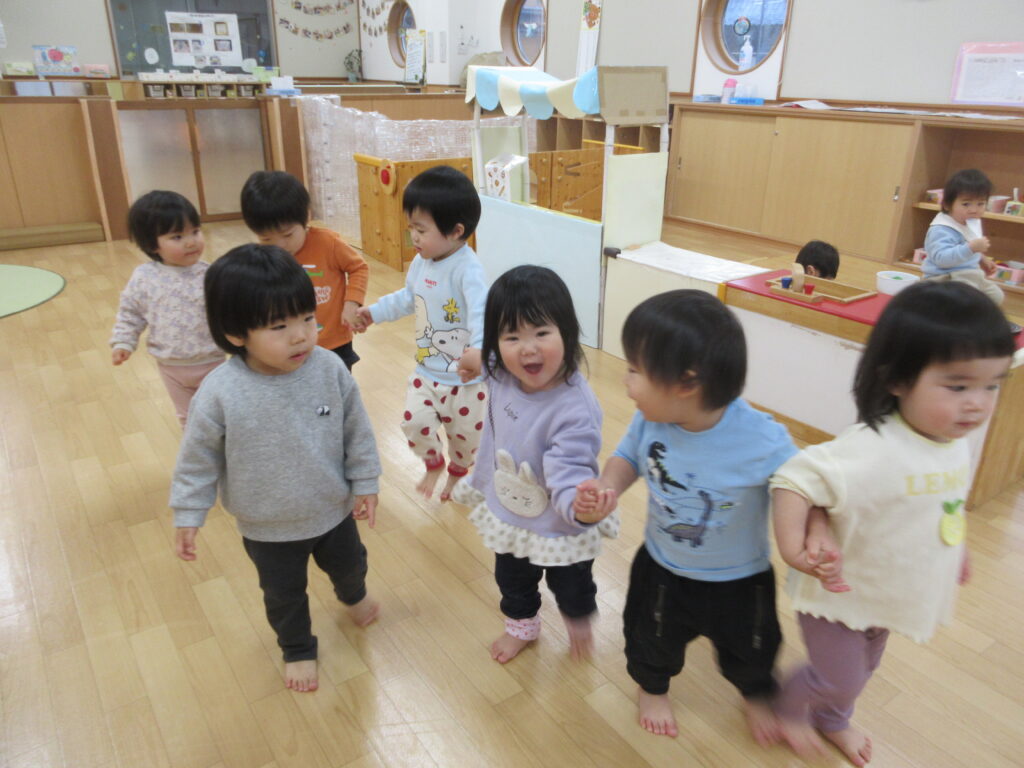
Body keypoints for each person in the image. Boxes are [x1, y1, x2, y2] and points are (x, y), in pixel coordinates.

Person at [770, 280, 1015, 766]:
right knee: (838, 677)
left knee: (866, 668)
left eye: (992, 385)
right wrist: (795, 548)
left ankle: (833, 719)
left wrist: (957, 547)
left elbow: (943, 502)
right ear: (898, 379)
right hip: (838, 598)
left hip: (884, 593)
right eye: (958, 386)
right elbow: (793, 478)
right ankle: (789, 708)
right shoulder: (873, 448)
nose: (978, 403)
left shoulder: (951, 440)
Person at [574, 290, 796, 742]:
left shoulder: (763, 439)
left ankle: (755, 691)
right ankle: (652, 687)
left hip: (741, 580)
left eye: (635, 370)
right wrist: (607, 487)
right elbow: (628, 457)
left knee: (754, 646)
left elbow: (801, 485)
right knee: (649, 638)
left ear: (686, 383)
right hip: (663, 568)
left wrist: (809, 534)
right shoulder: (650, 420)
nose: (626, 382)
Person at [170, 244, 382, 693]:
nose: (301, 336)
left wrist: (366, 481)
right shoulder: (220, 392)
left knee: (351, 566)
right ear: (236, 333)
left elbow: (356, 431)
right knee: (284, 596)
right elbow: (197, 459)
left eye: (306, 317)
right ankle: (298, 648)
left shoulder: (329, 368)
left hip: (333, 510)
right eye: (279, 326)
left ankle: (353, 596)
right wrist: (189, 511)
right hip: (267, 528)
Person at [454, 265, 619, 664]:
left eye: (541, 333)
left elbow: (569, 470)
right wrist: (473, 360)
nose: (527, 349)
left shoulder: (574, 410)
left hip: (561, 523)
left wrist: (578, 507)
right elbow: (488, 361)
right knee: (512, 581)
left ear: (568, 333)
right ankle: (522, 627)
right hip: (512, 513)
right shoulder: (502, 370)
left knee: (572, 586)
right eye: (512, 337)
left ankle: (578, 621)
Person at [354, 165, 488, 501]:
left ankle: (458, 472)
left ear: (456, 231)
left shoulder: (468, 269)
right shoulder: (421, 262)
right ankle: (433, 462)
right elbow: (407, 298)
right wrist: (374, 312)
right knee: (413, 422)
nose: (413, 236)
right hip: (427, 371)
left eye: (421, 229)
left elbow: (481, 312)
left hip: (465, 380)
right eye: (411, 227)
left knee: (465, 441)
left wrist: (479, 350)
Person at [110, 190, 224, 428]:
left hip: (213, 361)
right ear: (152, 245)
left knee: (220, 414)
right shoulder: (144, 278)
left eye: (195, 231)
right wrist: (123, 342)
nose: (191, 241)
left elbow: (231, 309)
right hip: (171, 366)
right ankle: (196, 450)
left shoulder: (210, 274)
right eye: (177, 236)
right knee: (187, 418)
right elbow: (131, 312)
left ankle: (226, 447)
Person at [241, 170, 369, 370]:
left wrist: (351, 303)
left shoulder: (328, 244)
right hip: (290, 346)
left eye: (287, 235)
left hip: (334, 342)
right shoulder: (263, 258)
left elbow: (358, 267)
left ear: (306, 216)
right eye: (266, 239)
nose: (279, 246)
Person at [921, 170, 1018, 331]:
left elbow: (969, 243)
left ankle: (971, 320)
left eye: (980, 204)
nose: (974, 209)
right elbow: (941, 259)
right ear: (947, 205)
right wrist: (971, 248)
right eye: (966, 204)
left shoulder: (969, 221)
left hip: (969, 274)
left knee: (995, 295)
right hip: (943, 277)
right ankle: (953, 324)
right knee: (968, 295)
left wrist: (982, 258)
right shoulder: (942, 229)